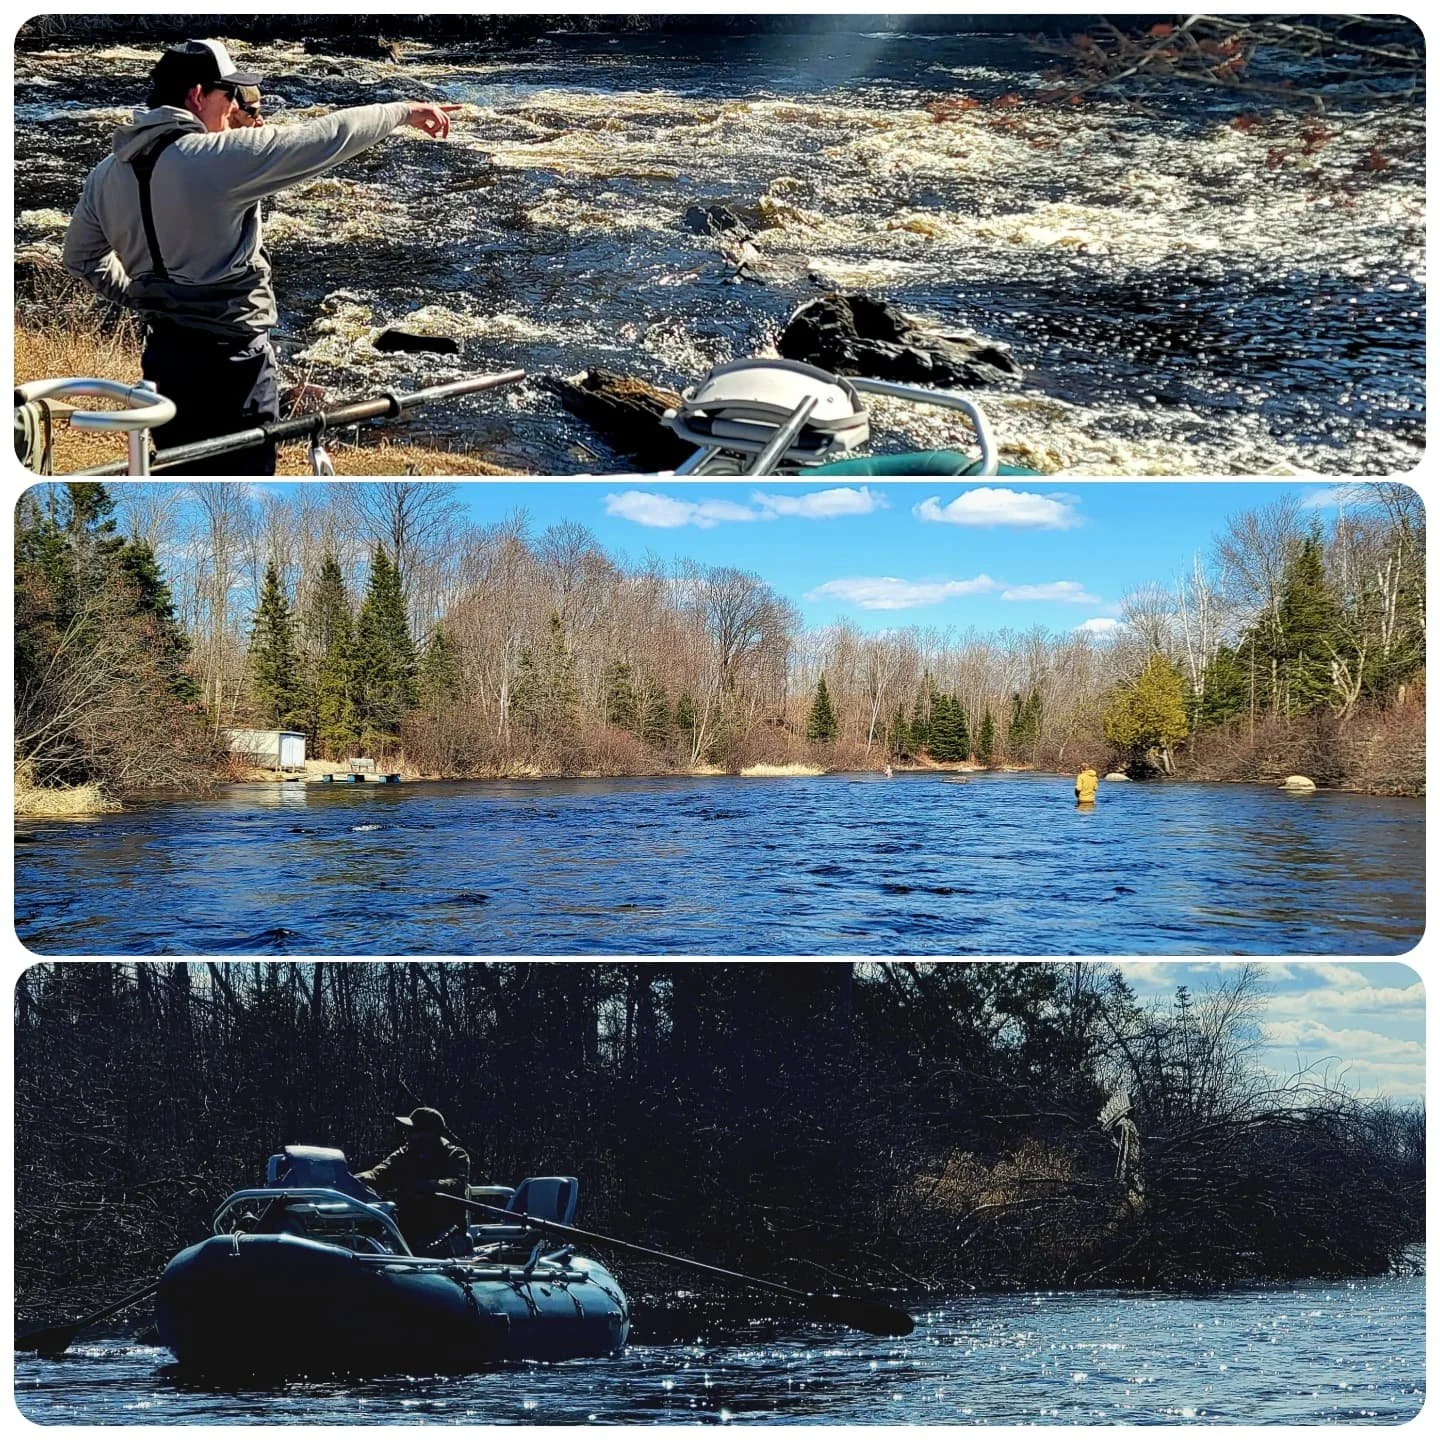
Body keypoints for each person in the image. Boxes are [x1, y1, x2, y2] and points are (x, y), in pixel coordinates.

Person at [62, 39, 459, 474]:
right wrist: (402, 111)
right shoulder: (216, 158)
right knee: (243, 476)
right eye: (230, 94)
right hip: (234, 367)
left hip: (164, 360)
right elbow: (324, 138)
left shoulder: (104, 174)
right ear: (198, 95)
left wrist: (142, 295)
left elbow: (81, 259)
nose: (235, 106)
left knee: (182, 473)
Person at [355, 1107, 471, 1255]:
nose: (408, 1134)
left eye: (415, 1130)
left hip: (445, 1230)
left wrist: (425, 1186)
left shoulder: (455, 1155)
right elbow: (380, 1173)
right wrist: (358, 1179)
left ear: (431, 1134)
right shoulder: (405, 1153)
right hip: (408, 1229)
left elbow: (457, 1183)